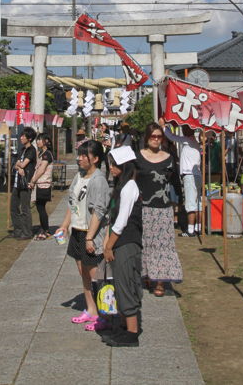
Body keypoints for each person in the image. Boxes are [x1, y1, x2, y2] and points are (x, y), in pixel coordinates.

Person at [57, 140, 110, 331]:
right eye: (79, 154)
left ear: (95, 159)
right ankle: (91, 309)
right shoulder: (79, 176)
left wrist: (90, 237)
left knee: (96, 276)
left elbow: (99, 210)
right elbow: (73, 203)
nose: (79, 158)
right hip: (77, 231)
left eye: (83, 155)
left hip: (91, 234)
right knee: (83, 273)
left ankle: (104, 315)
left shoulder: (99, 180)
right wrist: (64, 225)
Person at [135, 123, 182, 296]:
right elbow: (130, 180)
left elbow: (175, 181)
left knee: (163, 246)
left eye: (159, 137)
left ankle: (160, 281)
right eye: (153, 136)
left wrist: (180, 203)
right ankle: (147, 274)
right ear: (147, 138)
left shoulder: (169, 158)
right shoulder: (137, 157)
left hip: (163, 208)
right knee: (145, 244)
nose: (156, 139)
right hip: (143, 207)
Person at [103, 145, 142, 348]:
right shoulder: (121, 186)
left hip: (126, 243)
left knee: (126, 284)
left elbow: (121, 222)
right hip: (119, 242)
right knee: (120, 283)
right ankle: (125, 327)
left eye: (114, 164)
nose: (110, 167)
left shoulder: (129, 187)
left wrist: (109, 246)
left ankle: (132, 332)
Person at [164, 124, 202, 237]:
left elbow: (172, 137)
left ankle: (190, 230)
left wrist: (163, 126)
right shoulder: (195, 142)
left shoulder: (188, 140)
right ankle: (197, 227)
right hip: (196, 174)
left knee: (191, 202)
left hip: (190, 174)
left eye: (185, 128)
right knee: (197, 202)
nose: (183, 130)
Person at [11, 127, 37, 240]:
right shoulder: (22, 149)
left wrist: (19, 165)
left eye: (23, 136)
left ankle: (27, 232)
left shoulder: (32, 150)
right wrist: (18, 166)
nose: (21, 138)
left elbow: (22, 165)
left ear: (29, 138)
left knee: (25, 208)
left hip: (25, 182)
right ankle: (18, 229)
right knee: (13, 207)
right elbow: (16, 165)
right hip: (17, 182)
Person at [29, 132, 54, 239]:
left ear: (46, 141)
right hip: (40, 184)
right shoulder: (41, 153)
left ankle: (46, 230)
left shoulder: (46, 154)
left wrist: (33, 180)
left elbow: (42, 169)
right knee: (40, 208)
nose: (38, 142)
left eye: (40, 140)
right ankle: (44, 228)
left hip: (43, 184)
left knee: (41, 208)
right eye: (37, 140)